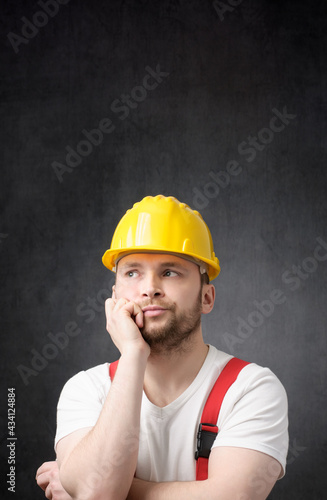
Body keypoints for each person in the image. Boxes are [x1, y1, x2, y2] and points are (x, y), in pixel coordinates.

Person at [36, 194, 288, 500]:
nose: (149, 287)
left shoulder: (251, 388)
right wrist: (133, 354)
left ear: (206, 298)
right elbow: (98, 492)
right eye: (132, 272)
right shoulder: (86, 390)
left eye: (170, 272)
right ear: (115, 298)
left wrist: (105, 488)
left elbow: (233, 498)